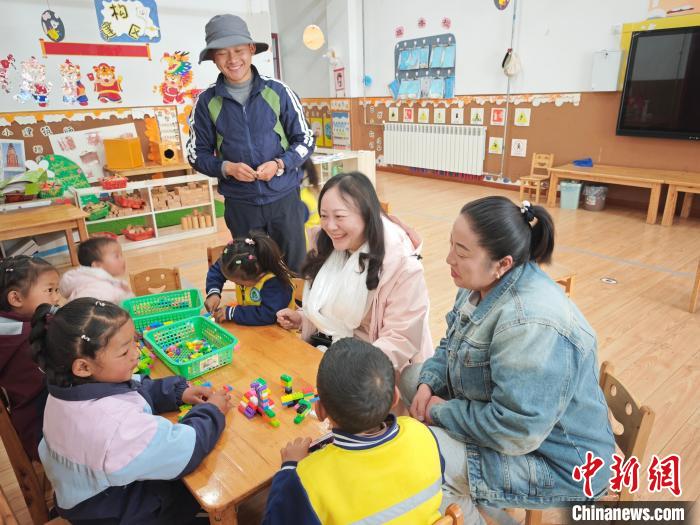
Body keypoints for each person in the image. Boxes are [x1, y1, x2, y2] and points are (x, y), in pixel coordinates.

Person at [401, 197, 616, 515]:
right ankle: (463, 483)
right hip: (519, 430)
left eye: (462, 252)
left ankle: (465, 510)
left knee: (421, 458)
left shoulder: (530, 323)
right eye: (451, 245)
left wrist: (441, 412)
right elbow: (450, 344)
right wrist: (428, 385)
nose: (449, 258)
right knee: (412, 378)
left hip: (558, 464)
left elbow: (515, 431)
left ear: (502, 263)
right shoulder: (480, 281)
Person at [32, 298, 231, 524]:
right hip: (116, 511)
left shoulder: (65, 386)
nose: (136, 354)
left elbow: (134, 388)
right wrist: (213, 411)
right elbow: (185, 449)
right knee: (199, 493)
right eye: (124, 352)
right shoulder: (115, 426)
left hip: (85, 493)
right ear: (83, 367)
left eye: (134, 342)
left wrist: (177, 393)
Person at [263, 338, 444, 524]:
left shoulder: (306, 481)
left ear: (320, 410)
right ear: (395, 398)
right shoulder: (423, 434)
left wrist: (289, 467)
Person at [187, 14, 315, 273]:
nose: (232, 59)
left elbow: (305, 139)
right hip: (241, 205)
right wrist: (227, 168)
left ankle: (297, 299)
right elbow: (196, 154)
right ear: (213, 58)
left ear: (251, 49)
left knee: (295, 268)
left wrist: (280, 164)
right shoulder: (206, 102)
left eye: (238, 50)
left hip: (284, 200)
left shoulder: (279, 92)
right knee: (250, 272)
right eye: (222, 53)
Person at [277, 172, 433, 370]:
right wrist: (303, 319)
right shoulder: (328, 246)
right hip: (333, 353)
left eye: (339, 216)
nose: (330, 226)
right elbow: (331, 307)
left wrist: (353, 368)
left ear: (367, 215)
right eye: (324, 216)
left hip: (375, 369)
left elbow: (400, 339)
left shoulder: (402, 265)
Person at [0, 255, 58, 460]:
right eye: (49, 290)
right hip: (46, 434)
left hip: (30, 425)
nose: (56, 298)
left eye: (57, 290)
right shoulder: (28, 336)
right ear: (16, 299)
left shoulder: (9, 328)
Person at [204, 232, 294, 325]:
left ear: (259, 276)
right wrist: (213, 292)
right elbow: (218, 270)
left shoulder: (276, 283)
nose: (237, 284)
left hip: (279, 329)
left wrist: (232, 313)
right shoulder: (236, 263)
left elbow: (268, 314)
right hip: (249, 324)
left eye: (239, 283)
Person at [59, 237, 133, 304]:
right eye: (116, 256)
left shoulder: (107, 283)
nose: (122, 259)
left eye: (121, 255)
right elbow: (85, 310)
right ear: (97, 265)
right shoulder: (97, 288)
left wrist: (125, 293)